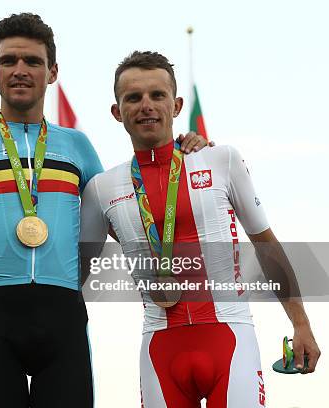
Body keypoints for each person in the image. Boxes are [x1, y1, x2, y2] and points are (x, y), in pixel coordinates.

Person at [0, 14, 207, 408]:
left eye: (33, 61)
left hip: (63, 318)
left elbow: (131, 215)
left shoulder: (77, 146)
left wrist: (181, 156)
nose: (20, 71)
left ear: (52, 71)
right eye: (9, 61)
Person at [78, 51, 320, 407]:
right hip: (159, 346)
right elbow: (72, 270)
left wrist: (301, 324)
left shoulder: (220, 159)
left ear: (176, 105)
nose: (146, 105)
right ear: (117, 112)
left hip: (230, 338)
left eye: (157, 95)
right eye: (134, 97)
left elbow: (267, 246)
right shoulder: (102, 188)